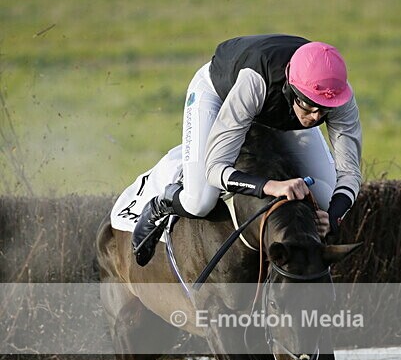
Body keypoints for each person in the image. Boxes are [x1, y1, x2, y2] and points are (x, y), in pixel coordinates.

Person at [132, 34, 362, 266]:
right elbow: (215, 170)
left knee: (326, 196)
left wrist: (332, 218)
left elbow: (350, 173)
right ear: (292, 89)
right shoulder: (255, 82)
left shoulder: (337, 96)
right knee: (200, 201)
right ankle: (161, 203)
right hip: (218, 93)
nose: (315, 118)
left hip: (276, 106)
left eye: (323, 111)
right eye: (309, 107)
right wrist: (272, 186)